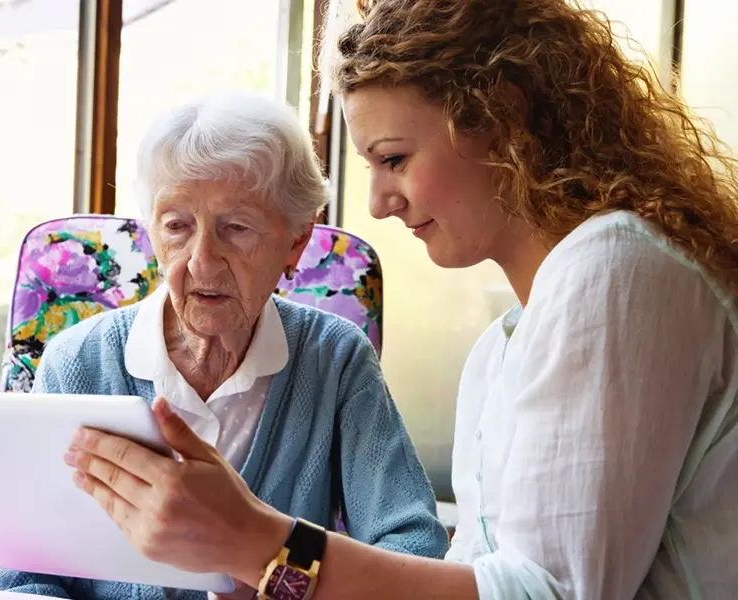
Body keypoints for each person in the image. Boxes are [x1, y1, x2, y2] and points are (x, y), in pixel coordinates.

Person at [58, 0, 738, 598]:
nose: (379, 203)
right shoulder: (500, 351)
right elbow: (475, 576)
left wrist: (256, 542)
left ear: (501, 121)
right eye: (176, 226)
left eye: (394, 159)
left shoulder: (615, 271)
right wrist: (263, 567)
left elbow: (547, 594)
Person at [0, 92, 449, 599]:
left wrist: (273, 575)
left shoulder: (334, 358)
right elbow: (17, 576)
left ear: (296, 241)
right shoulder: (76, 364)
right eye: (177, 226)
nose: (201, 262)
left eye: (236, 228)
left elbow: (412, 547)